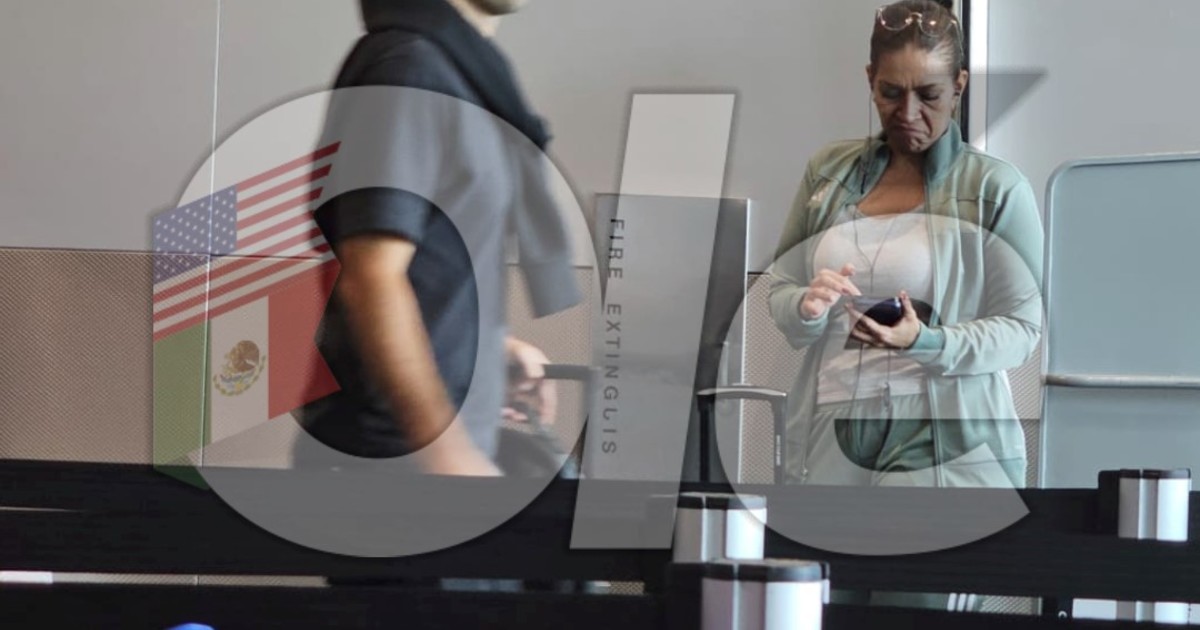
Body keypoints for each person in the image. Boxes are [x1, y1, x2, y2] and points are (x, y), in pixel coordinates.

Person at [766, 0, 1043, 610]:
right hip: (833, 435)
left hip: (941, 444)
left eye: (930, 95)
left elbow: (1022, 330)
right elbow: (780, 290)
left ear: (959, 86)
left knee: (914, 611)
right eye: (891, 93)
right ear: (870, 80)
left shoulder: (995, 188)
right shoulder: (828, 173)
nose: (909, 113)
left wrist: (927, 341)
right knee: (815, 611)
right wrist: (806, 306)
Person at [292, 0, 581, 478]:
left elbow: (435, 263)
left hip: (429, 461)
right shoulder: (408, 69)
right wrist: (447, 455)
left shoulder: (464, 74)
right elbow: (371, 276)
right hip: (390, 466)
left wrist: (489, 351)